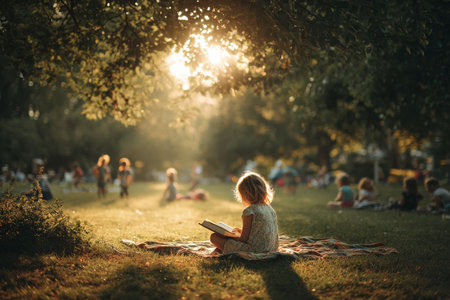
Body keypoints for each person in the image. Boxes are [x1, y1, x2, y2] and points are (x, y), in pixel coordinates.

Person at [210, 171, 279, 254]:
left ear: (245, 194)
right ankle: (224, 248)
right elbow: (258, 231)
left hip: (254, 250)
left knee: (214, 237)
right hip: (271, 248)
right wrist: (240, 231)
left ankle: (224, 249)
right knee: (223, 238)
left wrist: (231, 236)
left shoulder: (249, 211)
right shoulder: (269, 208)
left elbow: (243, 239)